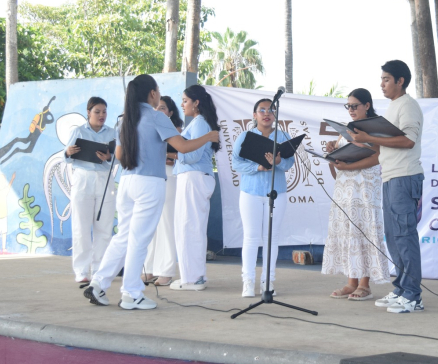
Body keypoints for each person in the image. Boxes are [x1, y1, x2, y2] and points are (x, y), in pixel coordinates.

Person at [83, 75, 219, 310]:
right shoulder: (157, 117)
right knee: (139, 240)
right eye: (158, 90)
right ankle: (131, 293)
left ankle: (99, 283)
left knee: (123, 236)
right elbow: (184, 147)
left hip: (126, 182)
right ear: (153, 94)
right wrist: (209, 136)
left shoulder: (123, 120)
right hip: (150, 183)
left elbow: (118, 155)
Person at [350, 60, 425, 314]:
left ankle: (414, 296)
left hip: (405, 177)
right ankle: (402, 289)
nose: (381, 84)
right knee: (393, 237)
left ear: (400, 81)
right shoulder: (392, 107)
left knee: (405, 236)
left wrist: (369, 137)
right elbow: (384, 145)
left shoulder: (408, 106)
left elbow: (408, 141)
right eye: (381, 79)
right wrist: (358, 143)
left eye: (386, 79)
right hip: (390, 177)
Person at [321, 88, 390, 300]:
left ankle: (365, 284)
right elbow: (337, 167)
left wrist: (349, 166)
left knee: (364, 231)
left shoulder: (376, 127)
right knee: (348, 233)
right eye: (348, 106)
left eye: (355, 106)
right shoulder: (346, 130)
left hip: (364, 189)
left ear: (367, 105)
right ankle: (351, 282)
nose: (351, 110)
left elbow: (378, 156)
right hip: (344, 190)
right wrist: (332, 152)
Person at [231, 98, 295, 298]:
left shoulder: (283, 136)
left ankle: (268, 281)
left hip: (277, 193)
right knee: (251, 237)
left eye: (270, 110)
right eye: (262, 110)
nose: (267, 113)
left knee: (272, 238)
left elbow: (289, 162)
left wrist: (278, 161)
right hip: (250, 192)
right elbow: (236, 163)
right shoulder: (246, 136)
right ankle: (247, 281)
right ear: (254, 114)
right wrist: (256, 167)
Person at [171, 85, 219, 291]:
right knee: (193, 227)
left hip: (193, 177)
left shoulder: (199, 124)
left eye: (185, 100)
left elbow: (192, 156)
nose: (182, 104)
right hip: (195, 177)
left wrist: (176, 147)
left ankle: (191, 279)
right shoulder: (199, 123)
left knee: (188, 227)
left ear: (196, 102)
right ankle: (195, 275)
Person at [64, 97, 116, 283]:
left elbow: (119, 159)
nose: (101, 115)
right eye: (97, 111)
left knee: (104, 227)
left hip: (104, 179)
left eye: (104, 111)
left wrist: (109, 156)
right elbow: (67, 157)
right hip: (83, 178)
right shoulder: (78, 131)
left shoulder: (112, 133)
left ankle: (100, 269)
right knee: (81, 227)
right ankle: (82, 271)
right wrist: (68, 153)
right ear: (88, 112)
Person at [142, 96, 183, 286]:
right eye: (156, 108)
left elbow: (180, 153)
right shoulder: (148, 129)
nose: (159, 111)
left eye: (163, 108)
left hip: (170, 176)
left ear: (171, 113)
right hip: (152, 177)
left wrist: (165, 154)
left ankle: (166, 270)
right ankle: (149, 269)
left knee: (166, 223)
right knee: (152, 225)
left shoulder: (176, 131)